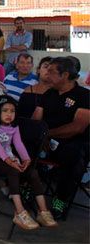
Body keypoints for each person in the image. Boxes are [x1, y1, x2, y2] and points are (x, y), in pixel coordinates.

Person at [0, 96, 58, 230]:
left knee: (32, 172)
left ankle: (43, 211)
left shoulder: (14, 126)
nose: (9, 114)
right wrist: (9, 161)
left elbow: (18, 144)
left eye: (12, 111)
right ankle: (19, 211)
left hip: (10, 158)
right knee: (14, 171)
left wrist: (26, 159)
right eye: (5, 111)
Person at [33, 57, 90, 219]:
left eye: (51, 71)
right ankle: (27, 187)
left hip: (73, 142)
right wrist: (39, 135)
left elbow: (77, 128)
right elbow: (36, 118)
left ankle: (61, 200)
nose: (47, 74)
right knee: (23, 144)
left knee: (73, 154)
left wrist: (47, 134)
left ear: (65, 75)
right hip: (45, 140)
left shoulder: (84, 96)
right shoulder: (49, 93)